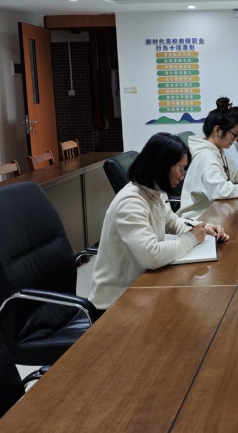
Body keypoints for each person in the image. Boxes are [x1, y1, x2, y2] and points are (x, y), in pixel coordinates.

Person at [89, 132, 228, 310]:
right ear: (162, 165)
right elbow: (151, 256)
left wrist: (204, 228)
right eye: (181, 169)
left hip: (142, 286)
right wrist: (192, 238)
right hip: (116, 302)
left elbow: (173, 222)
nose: (182, 176)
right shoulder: (130, 202)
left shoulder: (154, 192)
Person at [178, 98, 238, 219]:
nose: (234, 139)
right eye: (233, 134)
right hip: (197, 218)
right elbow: (220, 191)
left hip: (213, 214)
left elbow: (233, 173)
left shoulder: (218, 150)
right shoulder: (206, 157)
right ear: (217, 130)